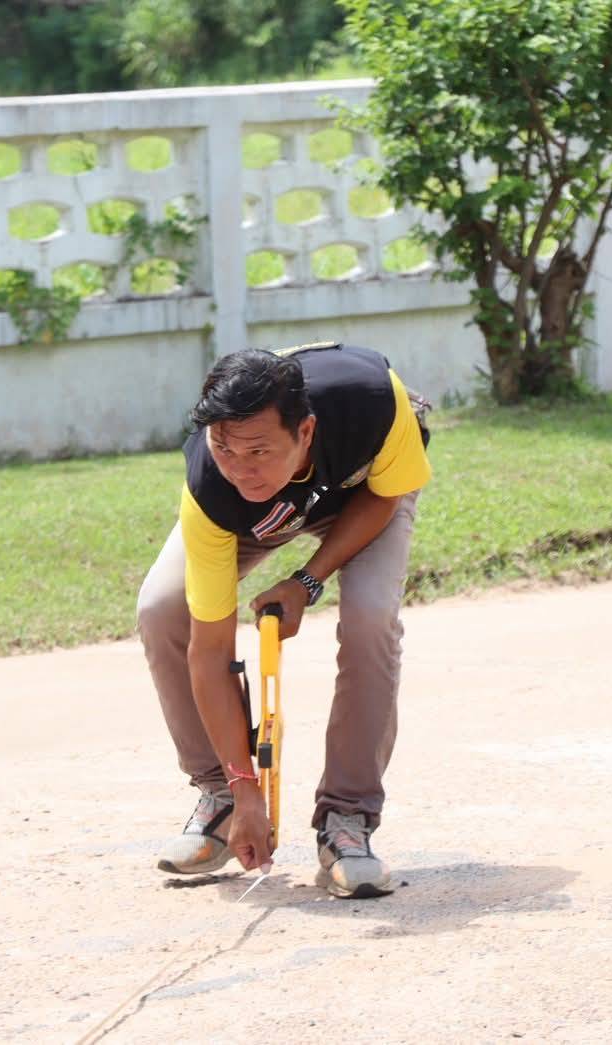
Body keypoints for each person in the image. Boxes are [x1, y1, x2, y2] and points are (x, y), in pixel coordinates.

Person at [135, 342, 431, 899]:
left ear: (306, 431)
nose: (240, 468)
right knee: (161, 608)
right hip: (262, 516)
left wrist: (308, 580)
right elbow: (210, 651)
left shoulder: (371, 400)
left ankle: (347, 819)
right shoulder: (215, 484)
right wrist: (247, 788)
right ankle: (223, 798)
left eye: (258, 451)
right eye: (225, 448)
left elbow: (385, 496)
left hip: (360, 494)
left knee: (370, 618)